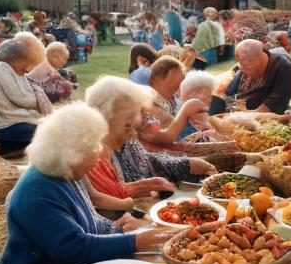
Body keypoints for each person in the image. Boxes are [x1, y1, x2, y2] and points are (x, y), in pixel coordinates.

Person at [0, 102, 175, 264]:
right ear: (71, 153)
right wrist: (136, 241)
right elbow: (73, 251)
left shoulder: (66, 171)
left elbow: (88, 222)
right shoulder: (37, 191)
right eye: (94, 149)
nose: (97, 159)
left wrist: (116, 229)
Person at [86, 76, 216, 195]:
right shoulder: (92, 154)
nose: (134, 133)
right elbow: (106, 199)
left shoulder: (128, 138)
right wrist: (144, 187)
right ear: (106, 119)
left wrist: (187, 164)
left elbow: (148, 160)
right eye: (127, 126)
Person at [0, 32, 52, 154]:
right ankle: (11, 148)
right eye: (28, 64)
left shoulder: (17, 73)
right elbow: (23, 100)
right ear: (17, 58)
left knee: (54, 126)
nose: (28, 70)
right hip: (6, 126)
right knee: (50, 130)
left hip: (19, 122)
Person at [137, 56, 207, 147]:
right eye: (177, 82)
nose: (179, 86)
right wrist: (185, 112)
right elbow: (164, 139)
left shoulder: (163, 99)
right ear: (158, 77)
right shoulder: (147, 102)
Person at [233, 38, 291, 114]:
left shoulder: (282, 66)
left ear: (259, 59)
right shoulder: (242, 67)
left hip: (264, 118)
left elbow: (277, 101)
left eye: (245, 65)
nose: (241, 68)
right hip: (240, 110)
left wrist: (248, 114)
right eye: (240, 63)